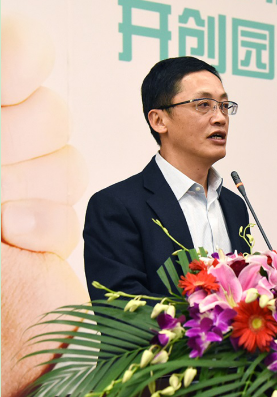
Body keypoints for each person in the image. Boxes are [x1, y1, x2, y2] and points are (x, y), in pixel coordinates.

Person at [83, 57, 250, 301]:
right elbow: (121, 311)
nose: (220, 118)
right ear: (159, 120)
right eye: (204, 105)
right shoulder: (116, 207)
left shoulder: (235, 207)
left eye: (224, 106)